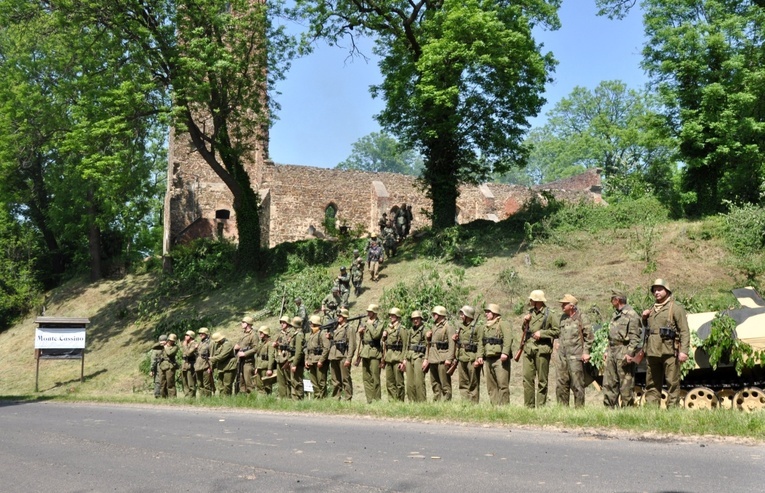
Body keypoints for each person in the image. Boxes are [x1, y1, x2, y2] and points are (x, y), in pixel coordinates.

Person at [642, 279, 690, 408]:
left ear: (667, 291)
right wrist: (644, 319)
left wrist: (684, 351)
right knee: (651, 383)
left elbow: (684, 330)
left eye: (659, 289)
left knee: (672, 383)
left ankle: (673, 410)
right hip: (652, 350)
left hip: (669, 351)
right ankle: (651, 409)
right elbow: (649, 329)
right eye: (654, 290)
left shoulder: (675, 308)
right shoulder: (652, 309)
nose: (656, 292)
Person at [603, 290, 643, 408]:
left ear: (618, 300)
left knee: (626, 384)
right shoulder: (615, 315)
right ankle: (609, 410)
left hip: (624, 351)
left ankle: (627, 410)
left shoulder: (632, 315)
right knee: (609, 383)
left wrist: (630, 353)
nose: (611, 302)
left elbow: (635, 337)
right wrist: (606, 350)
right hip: (612, 350)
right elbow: (612, 335)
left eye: (612, 299)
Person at [521, 290, 560, 408]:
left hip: (542, 350)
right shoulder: (530, 312)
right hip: (529, 349)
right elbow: (525, 330)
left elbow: (557, 331)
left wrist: (542, 333)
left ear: (537, 301)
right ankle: (529, 406)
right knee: (527, 379)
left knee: (542, 381)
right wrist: (525, 322)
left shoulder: (550, 314)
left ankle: (541, 406)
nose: (530, 301)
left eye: (532, 299)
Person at [555, 294, 594, 408]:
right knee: (561, 383)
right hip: (562, 356)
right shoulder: (563, 318)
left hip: (576, 356)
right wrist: (557, 343)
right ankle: (562, 409)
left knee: (577, 384)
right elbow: (559, 334)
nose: (562, 306)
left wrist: (586, 352)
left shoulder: (582, 317)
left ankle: (579, 410)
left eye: (564, 304)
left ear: (571, 306)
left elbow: (589, 337)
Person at [479, 303, 515, 405]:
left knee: (502, 384)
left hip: (500, 359)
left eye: (488, 312)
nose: (486, 314)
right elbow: (482, 342)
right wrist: (480, 356)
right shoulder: (485, 326)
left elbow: (508, 339)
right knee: (491, 385)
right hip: (489, 358)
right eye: (486, 312)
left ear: (494, 313)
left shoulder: (503, 324)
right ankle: (494, 406)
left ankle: (504, 407)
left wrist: (505, 353)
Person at [454, 305, 484, 403]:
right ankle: (465, 403)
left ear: (468, 315)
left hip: (472, 357)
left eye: (463, 314)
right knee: (463, 382)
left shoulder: (477, 327)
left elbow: (480, 343)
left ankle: (473, 404)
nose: (461, 316)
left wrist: (479, 357)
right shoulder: (460, 327)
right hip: (461, 357)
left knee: (473, 383)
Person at [426, 305, 455, 401]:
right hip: (433, 357)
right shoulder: (434, 326)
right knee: (434, 383)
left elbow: (452, 344)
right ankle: (436, 401)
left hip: (442, 358)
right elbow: (430, 344)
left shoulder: (448, 326)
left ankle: (447, 401)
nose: (434, 315)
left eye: (435, 314)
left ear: (440, 314)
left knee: (445, 383)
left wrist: (449, 359)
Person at [328, 308, 356, 400]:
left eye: (340, 316)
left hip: (343, 356)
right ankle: (336, 397)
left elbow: (352, 344)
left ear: (344, 317)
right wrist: (330, 336)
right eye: (338, 316)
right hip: (334, 355)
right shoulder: (336, 327)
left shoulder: (349, 328)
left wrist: (349, 359)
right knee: (335, 379)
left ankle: (348, 398)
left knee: (345, 379)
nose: (338, 317)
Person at [358, 303, 383, 403]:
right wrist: (361, 333)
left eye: (370, 311)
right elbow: (364, 339)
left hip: (375, 352)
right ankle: (369, 400)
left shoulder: (379, 323)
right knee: (366, 377)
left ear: (374, 312)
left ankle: (377, 400)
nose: (368, 313)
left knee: (375, 377)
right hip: (365, 352)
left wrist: (369, 324)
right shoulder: (365, 322)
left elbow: (376, 335)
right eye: (368, 311)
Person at [383, 307, 408, 402]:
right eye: (390, 315)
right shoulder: (388, 329)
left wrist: (403, 360)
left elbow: (405, 345)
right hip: (389, 358)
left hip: (398, 358)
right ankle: (392, 401)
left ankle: (400, 400)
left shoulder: (402, 329)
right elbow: (385, 345)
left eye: (393, 315)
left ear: (397, 317)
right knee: (389, 382)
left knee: (399, 383)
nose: (391, 317)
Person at [304, 315, 330, 398]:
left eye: (311, 323)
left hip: (319, 360)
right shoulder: (311, 334)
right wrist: (306, 360)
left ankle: (323, 398)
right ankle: (317, 397)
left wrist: (321, 360)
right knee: (314, 381)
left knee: (321, 381)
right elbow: (307, 349)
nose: (310, 325)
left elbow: (326, 348)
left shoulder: (322, 334)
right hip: (311, 361)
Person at [405, 311, 428, 402]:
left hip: (419, 357)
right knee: (410, 383)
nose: (415, 321)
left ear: (421, 319)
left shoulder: (425, 330)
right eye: (413, 319)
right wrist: (404, 359)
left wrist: (426, 359)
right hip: (409, 357)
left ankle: (421, 402)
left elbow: (428, 346)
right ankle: (412, 402)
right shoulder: (410, 331)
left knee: (419, 382)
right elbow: (407, 345)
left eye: (417, 318)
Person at [235, 316, 258, 394]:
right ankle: (244, 400)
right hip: (241, 361)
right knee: (241, 382)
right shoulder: (243, 334)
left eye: (243, 322)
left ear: (248, 324)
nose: (241, 324)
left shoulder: (253, 335)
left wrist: (244, 353)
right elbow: (239, 345)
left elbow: (256, 349)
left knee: (249, 383)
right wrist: (237, 347)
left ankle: (252, 399)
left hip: (248, 362)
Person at [254, 326, 276, 395]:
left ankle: (268, 401)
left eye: (261, 332)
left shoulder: (270, 343)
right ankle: (261, 402)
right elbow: (258, 356)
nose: (260, 334)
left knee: (267, 386)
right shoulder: (261, 343)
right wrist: (256, 367)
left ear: (265, 333)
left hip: (266, 367)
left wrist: (270, 369)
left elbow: (271, 357)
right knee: (259, 385)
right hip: (260, 366)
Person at [194, 328, 214, 397]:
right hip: (198, 366)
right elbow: (197, 354)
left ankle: (208, 399)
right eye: (199, 334)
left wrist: (210, 367)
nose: (200, 335)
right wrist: (195, 349)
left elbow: (211, 356)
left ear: (206, 334)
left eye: (202, 333)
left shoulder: (210, 343)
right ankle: (202, 398)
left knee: (207, 385)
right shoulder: (200, 343)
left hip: (206, 365)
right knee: (200, 384)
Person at [158, 333, 179, 398]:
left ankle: (172, 398)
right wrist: (161, 343)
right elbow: (154, 347)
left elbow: (169, 353)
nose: (171, 342)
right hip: (162, 365)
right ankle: (163, 397)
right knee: (162, 383)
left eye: (172, 341)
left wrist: (165, 346)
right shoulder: (164, 345)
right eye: (170, 340)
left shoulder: (175, 347)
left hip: (170, 366)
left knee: (170, 383)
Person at [181, 330, 198, 398]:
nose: (185, 336)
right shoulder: (187, 343)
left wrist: (184, 346)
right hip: (185, 364)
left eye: (187, 335)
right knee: (184, 382)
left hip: (191, 365)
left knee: (191, 382)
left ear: (191, 336)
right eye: (185, 335)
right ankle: (186, 396)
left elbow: (188, 353)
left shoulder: (194, 344)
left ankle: (191, 397)